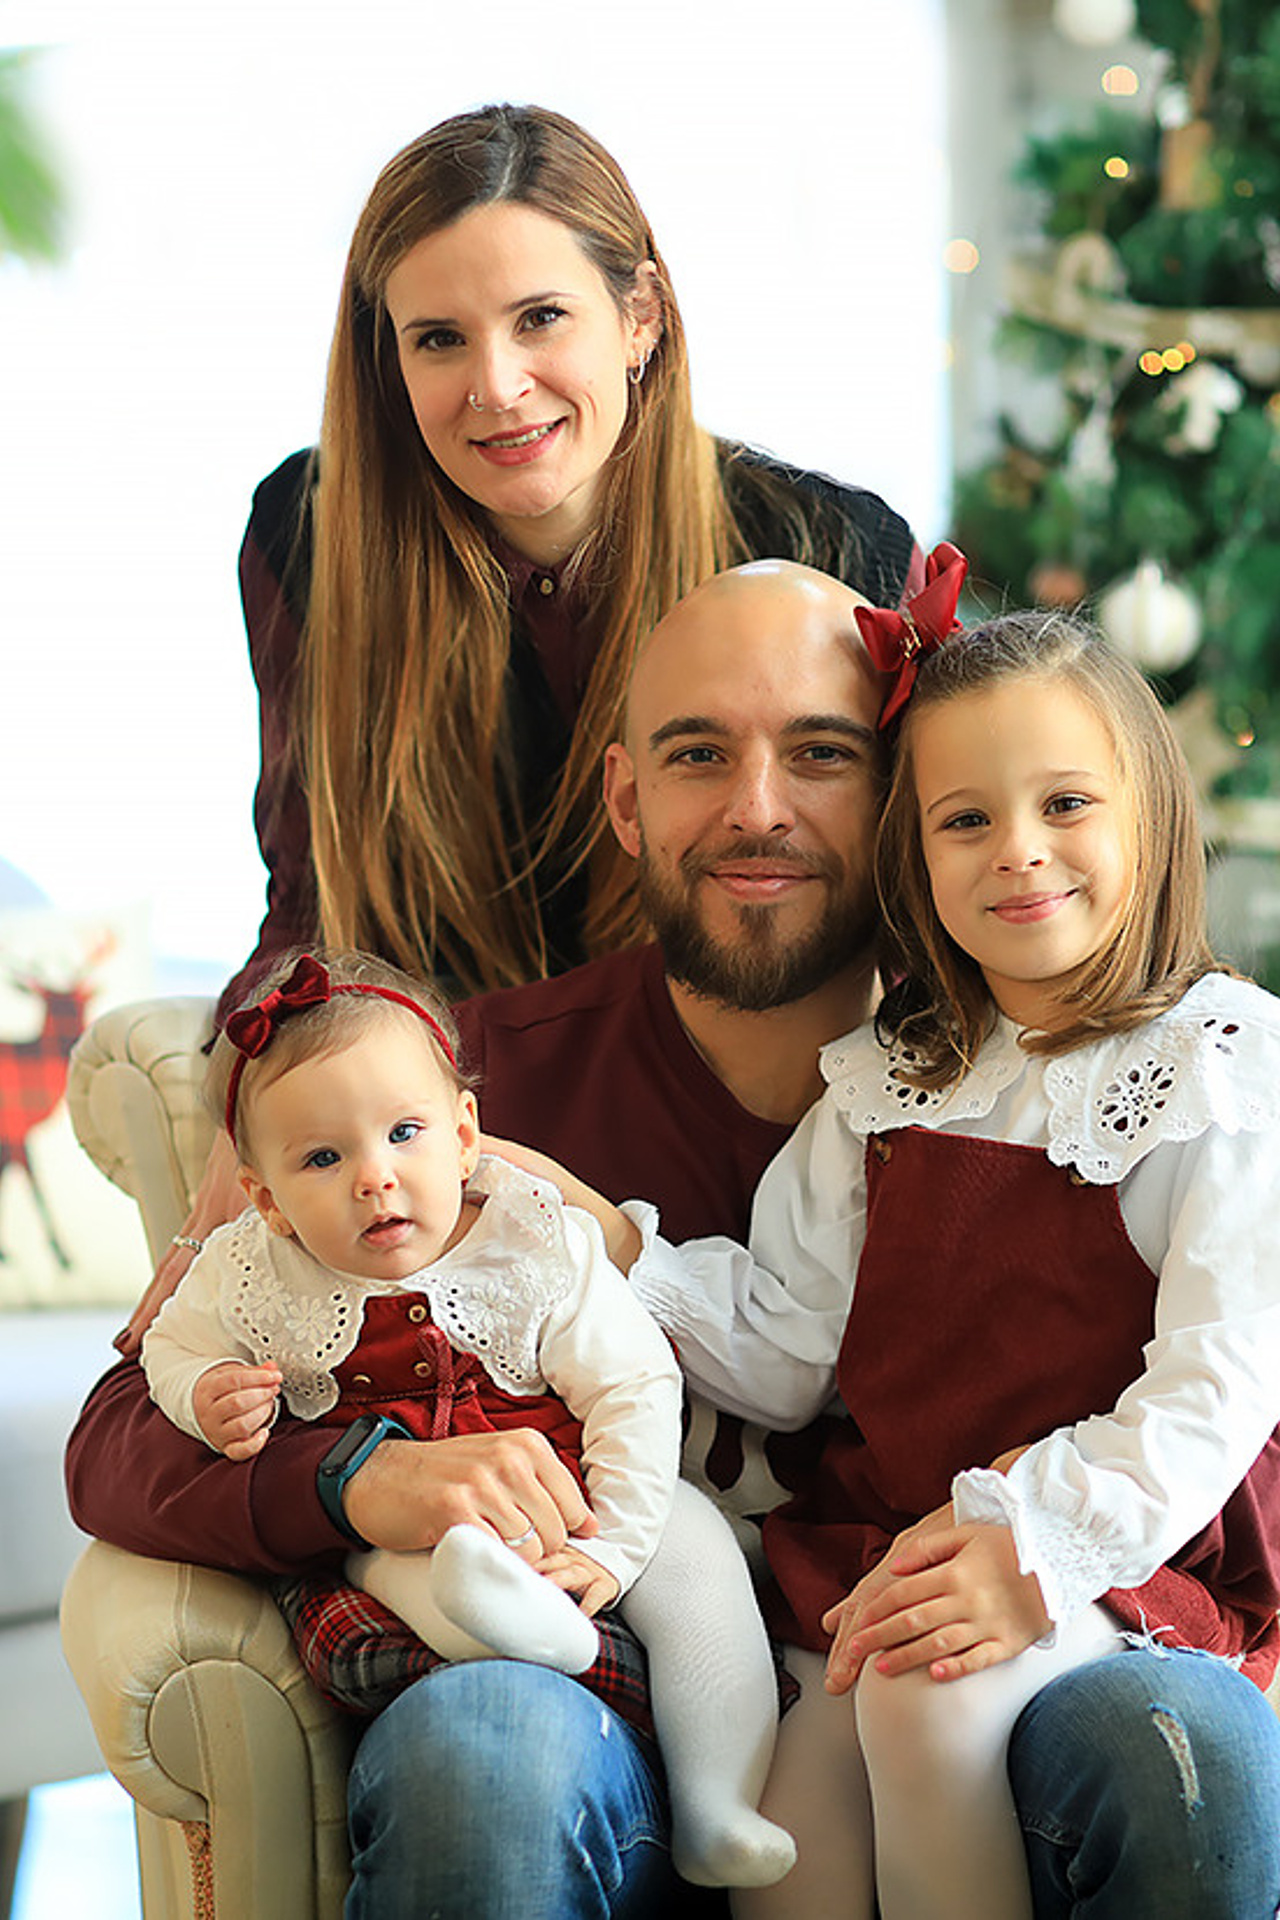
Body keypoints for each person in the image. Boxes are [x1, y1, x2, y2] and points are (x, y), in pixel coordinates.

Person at [66, 563, 1280, 1915]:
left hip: (1015, 1599)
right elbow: (122, 1438)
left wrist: (1049, 1540)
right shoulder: (430, 1104)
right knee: (538, 1758)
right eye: (701, 754)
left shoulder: (1193, 1071)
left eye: (820, 753)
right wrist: (355, 1479)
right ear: (627, 799)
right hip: (661, 1672)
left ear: (882, 801)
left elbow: (1221, 1374)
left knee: (1167, 1742)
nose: (758, 807)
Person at [141, 99, 916, 1323]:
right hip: (451, 1140)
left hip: (743, 1131)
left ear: (639, 317)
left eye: (540, 318)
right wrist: (259, 1086)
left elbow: (896, 892)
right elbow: (310, 894)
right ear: (387, 363)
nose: (496, 388)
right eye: (438, 339)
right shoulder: (307, 532)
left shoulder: (821, 544)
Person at [615, 598, 1280, 1917]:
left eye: (1066, 805)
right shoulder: (885, 1085)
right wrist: (607, 1253)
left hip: (1120, 1545)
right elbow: (790, 1350)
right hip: (898, 1544)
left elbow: (1216, 1385)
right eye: (965, 819)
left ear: (1148, 812)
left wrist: (1029, 1542)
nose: (1019, 854)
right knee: (790, 1817)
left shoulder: (1221, 1064)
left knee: (922, 1694)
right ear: (913, 860)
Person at [141, 946, 794, 1890]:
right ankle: (515, 1625)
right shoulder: (252, 1271)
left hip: (580, 1489)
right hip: (408, 1528)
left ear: (465, 1133)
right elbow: (169, 1345)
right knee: (398, 1571)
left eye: (404, 1132)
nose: (375, 1177)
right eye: (323, 1158)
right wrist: (207, 1395)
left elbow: (636, 1387)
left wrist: (617, 1541)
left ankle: (718, 1801)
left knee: (702, 1572)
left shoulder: (535, 1243)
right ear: (265, 1200)